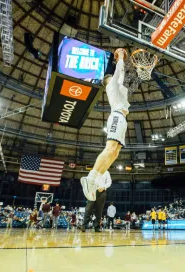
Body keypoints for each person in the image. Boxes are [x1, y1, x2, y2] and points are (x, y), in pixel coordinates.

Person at [81, 48, 130, 201]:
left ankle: (95, 180)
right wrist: (120, 57)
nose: (114, 77)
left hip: (122, 118)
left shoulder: (118, 86)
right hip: (116, 116)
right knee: (109, 149)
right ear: (107, 80)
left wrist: (120, 64)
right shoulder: (111, 85)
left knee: (115, 153)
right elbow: (119, 71)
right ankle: (90, 178)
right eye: (111, 77)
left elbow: (121, 74)